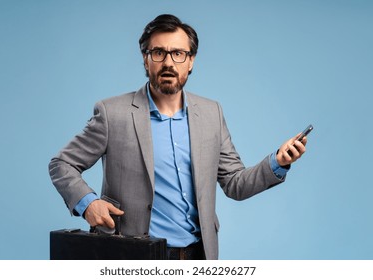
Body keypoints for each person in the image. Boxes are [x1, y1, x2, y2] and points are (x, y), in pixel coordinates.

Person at [49, 14, 307, 260]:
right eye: (159, 53)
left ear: (191, 60)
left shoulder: (211, 113)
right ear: (145, 59)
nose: (169, 63)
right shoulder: (112, 113)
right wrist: (88, 203)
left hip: (198, 256)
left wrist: (278, 162)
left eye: (178, 53)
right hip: (134, 256)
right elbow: (62, 164)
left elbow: (235, 183)